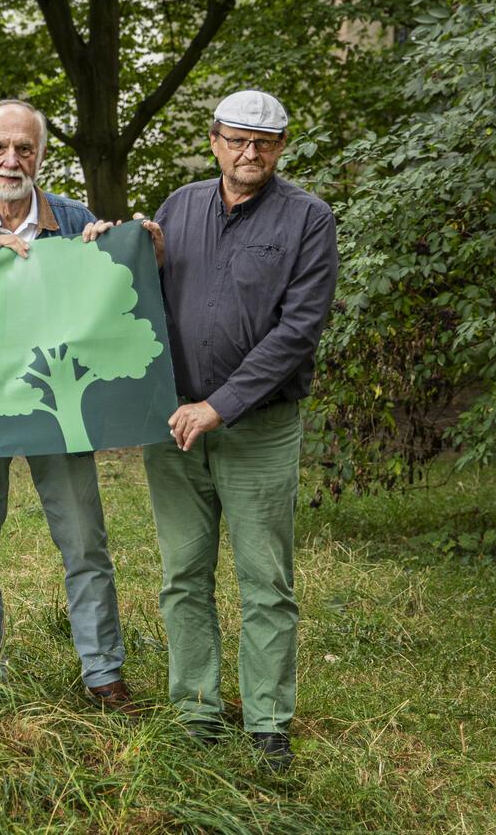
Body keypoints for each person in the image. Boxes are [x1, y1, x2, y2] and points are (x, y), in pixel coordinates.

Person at [85, 89, 338, 771]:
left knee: (265, 579)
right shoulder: (180, 205)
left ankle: (268, 725)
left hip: (257, 425)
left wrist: (219, 405)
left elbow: (297, 332)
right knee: (184, 572)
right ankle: (196, 712)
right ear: (213, 139)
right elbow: (145, 298)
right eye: (235, 139)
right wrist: (132, 255)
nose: (248, 153)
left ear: (281, 148)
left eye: (262, 143)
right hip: (172, 422)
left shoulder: (309, 221)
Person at [0, 99, 134, 711]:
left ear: (41, 155)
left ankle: (103, 674)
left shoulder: (73, 220)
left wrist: (109, 253)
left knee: (84, 543)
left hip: (56, 406)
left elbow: (111, 302)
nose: (11, 160)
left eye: (24, 148)